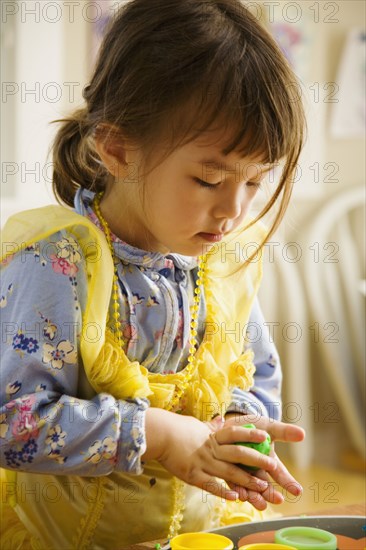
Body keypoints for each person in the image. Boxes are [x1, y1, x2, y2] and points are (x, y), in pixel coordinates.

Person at [0, 0, 307, 547]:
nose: (233, 211)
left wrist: (241, 427)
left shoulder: (221, 263)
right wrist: (156, 434)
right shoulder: (54, 264)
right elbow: (12, 423)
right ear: (118, 150)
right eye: (209, 181)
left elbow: (254, 376)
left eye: (255, 183)